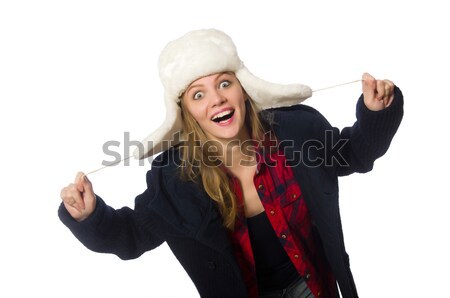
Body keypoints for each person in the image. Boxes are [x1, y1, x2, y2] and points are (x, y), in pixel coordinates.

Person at [59, 29, 403, 298]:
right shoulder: (175, 180)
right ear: (186, 112)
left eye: (224, 83)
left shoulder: (298, 133)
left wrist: (376, 113)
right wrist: (89, 216)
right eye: (198, 94)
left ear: (242, 89)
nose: (217, 98)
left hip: (313, 286)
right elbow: (132, 235)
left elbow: (354, 153)